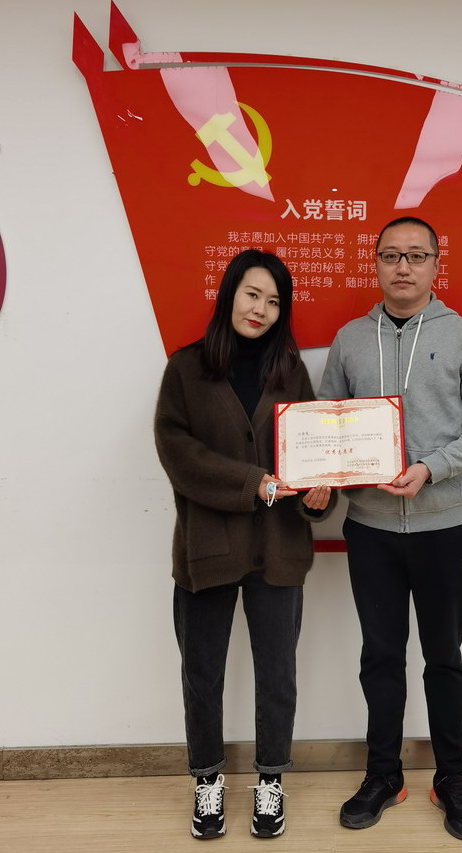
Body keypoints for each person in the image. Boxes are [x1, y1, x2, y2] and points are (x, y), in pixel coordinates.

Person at [318, 216, 462, 841]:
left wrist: (432, 467)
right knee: (379, 656)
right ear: (375, 264)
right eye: (391, 255)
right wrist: (324, 477)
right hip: (370, 529)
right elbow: (327, 425)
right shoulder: (350, 340)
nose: (403, 266)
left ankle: (451, 777)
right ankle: (383, 775)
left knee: (444, 658)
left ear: (435, 265)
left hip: (445, 526)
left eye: (416, 255)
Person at [154, 249, 334, 841]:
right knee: (201, 673)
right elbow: (178, 453)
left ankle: (271, 780)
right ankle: (206, 779)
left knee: (277, 674)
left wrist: (320, 497)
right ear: (230, 293)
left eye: (274, 301)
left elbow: (312, 454)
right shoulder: (186, 368)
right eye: (252, 294)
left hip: (279, 548)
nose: (261, 309)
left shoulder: (291, 371)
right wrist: (249, 482)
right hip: (206, 549)